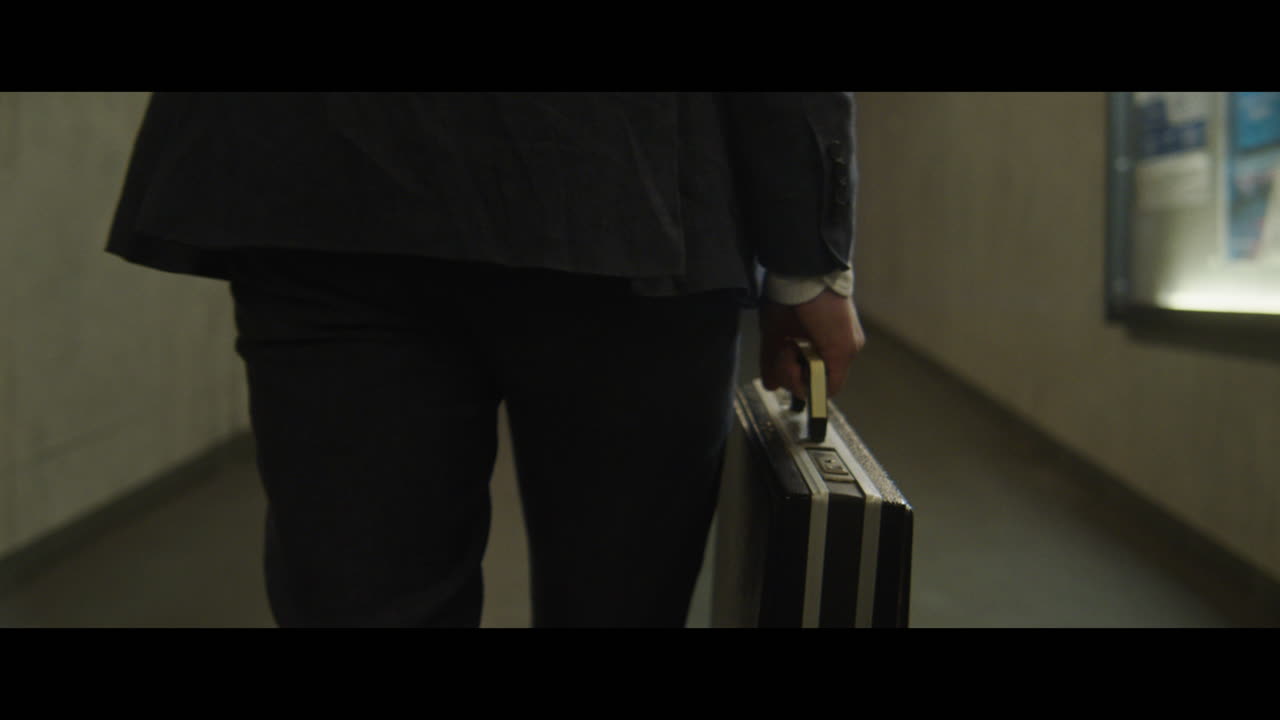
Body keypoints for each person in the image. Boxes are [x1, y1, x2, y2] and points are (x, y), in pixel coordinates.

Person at [105, 92, 865, 627]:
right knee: (616, 602)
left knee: (359, 604)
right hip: (622, 180)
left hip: (317, 170)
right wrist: (808, 260)